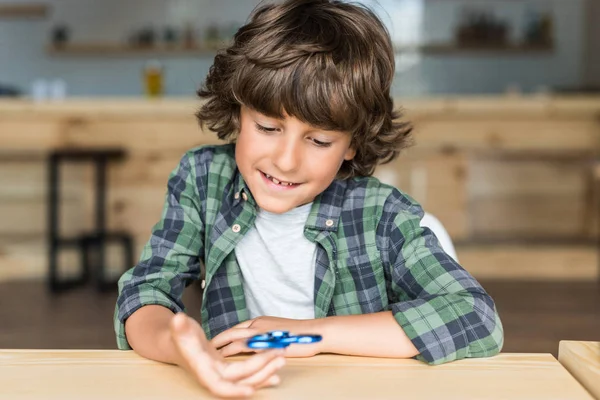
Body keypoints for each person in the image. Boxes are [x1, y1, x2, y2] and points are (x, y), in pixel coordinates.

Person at [114, 0, 504, 397]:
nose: (286, 161)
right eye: (267, 127)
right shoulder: (202, 179)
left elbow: (476, 318)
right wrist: (183, 350)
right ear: (237, 113)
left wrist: (302, 336)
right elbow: (146, 294)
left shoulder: (383, 215)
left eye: (318, 140)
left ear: (352, 143)